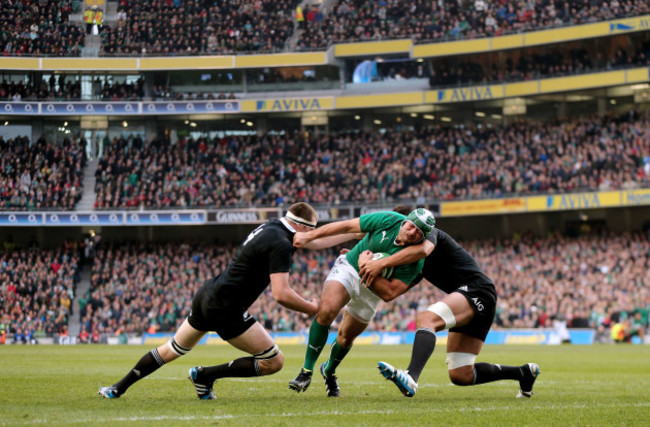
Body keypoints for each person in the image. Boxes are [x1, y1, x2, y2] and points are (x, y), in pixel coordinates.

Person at [99, 202, 347, 400]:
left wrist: (354, 232)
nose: (314, 236)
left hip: (208, 294)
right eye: (312, 230)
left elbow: (313, 240)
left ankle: (117, 388)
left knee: (171, 349)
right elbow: (281, 294)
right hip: (227, 308)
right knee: (274, 361)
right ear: (302, 228)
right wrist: (310, 307)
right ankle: (204, 376)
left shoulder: (273, 226)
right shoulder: (281, 244)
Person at [359, 217, 540, 399]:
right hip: (470, 300)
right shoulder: (414, 263)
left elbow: (424, 249)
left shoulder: (431, 236)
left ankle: (411, 376)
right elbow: (390, 293)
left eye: (416, 228)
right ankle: (522, 373)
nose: (411, 232)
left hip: (477, 290)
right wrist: (361, 267)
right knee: (461, 374)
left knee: (426, 319)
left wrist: (381, 263)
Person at [288, 208, 436, 397]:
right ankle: (306, 372)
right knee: (326, 311)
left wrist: (365, 266)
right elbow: (346, 225)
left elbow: (390, 294)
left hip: (373, 289)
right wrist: (309, 237)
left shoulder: (416, 260)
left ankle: (329, 371)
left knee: (345, 338)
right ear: (405, 221)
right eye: (413, 226)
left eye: (420, 233)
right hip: (350, 267)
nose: (413, 232)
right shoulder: (387, 219)